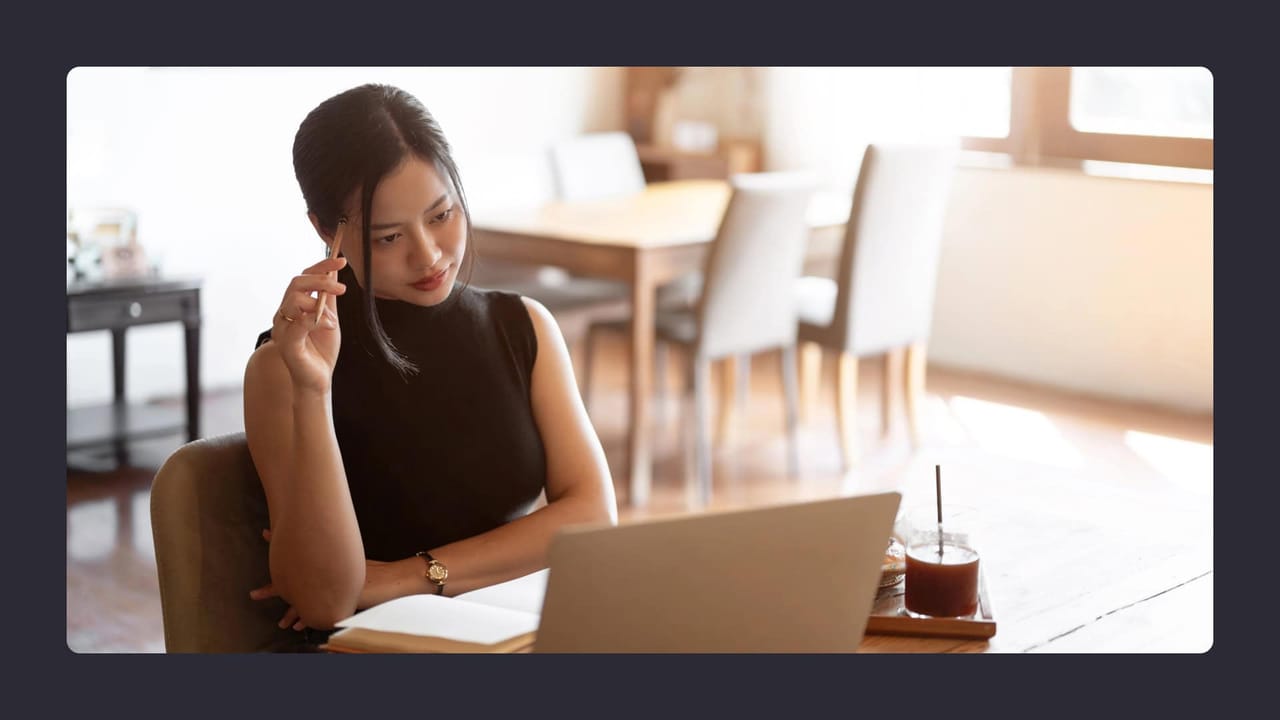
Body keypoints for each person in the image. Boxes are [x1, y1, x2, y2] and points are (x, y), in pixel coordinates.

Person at [242, 83, 618, 648]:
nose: (430, 255)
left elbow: (590, 516)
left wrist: (403, 577)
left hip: (512, 629)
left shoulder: (524, 325)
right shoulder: (286, 367)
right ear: (325, 230)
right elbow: (325, 600)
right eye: (389, 236)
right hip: (377, 652)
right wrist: (314, 391)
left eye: (441, 214)